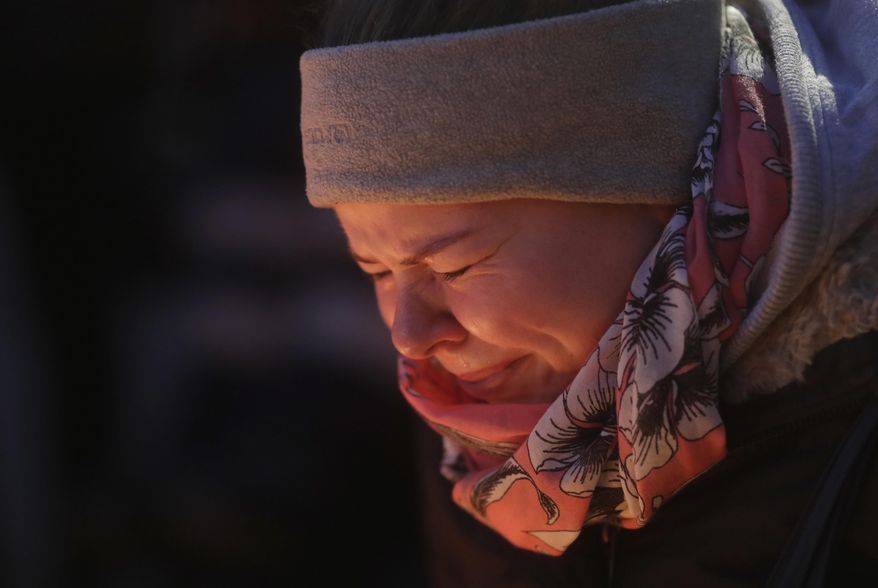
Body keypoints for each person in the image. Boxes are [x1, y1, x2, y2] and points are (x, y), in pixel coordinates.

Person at [298, 0, 878, 585]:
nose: (411, 338)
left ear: (659, 190)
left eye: (453, 268)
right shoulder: (476, 432)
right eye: (374, 270)